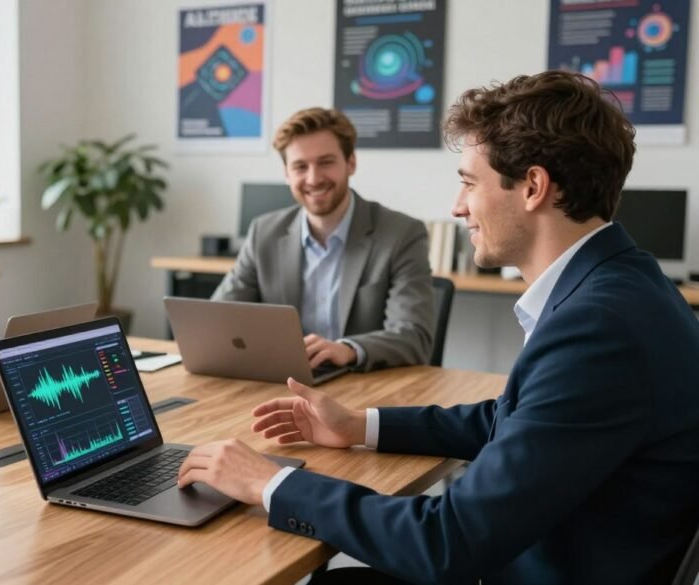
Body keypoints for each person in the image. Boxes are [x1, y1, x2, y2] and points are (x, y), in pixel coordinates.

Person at [177, 71, 699, 583]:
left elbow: (446, 542)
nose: (457, 207)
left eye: (469, 183)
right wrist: (362, 426)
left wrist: (272, 482)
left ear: (534, 187)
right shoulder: (624, 282)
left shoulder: (598, 329)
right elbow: (515, 417)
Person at [212, 107, 433, 372]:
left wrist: (348, 349)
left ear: (350, 163)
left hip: (362, 388)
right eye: (300, 166)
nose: (314, 178)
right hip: (282, 383)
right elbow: (218, 319)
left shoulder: (401, 233)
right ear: (286, 174)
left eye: (326, 162)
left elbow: (414, 337)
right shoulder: (264, 232)